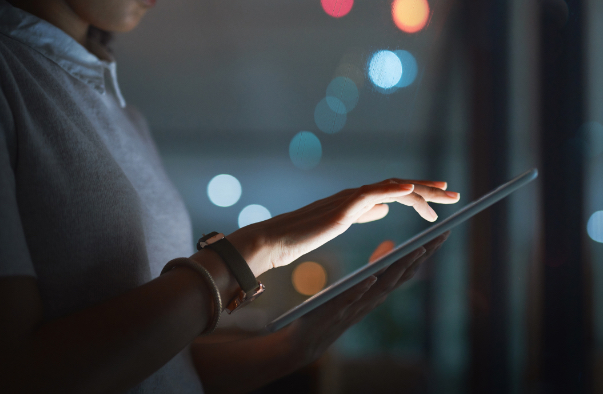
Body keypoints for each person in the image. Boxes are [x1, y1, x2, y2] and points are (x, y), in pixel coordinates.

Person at [0, 0, 461, 393]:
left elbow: (161, 369)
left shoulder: (116, 107)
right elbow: (22, 374)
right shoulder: (13, 77)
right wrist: (254, 250)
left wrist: (295, 346)